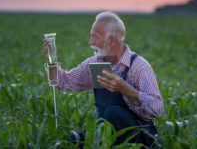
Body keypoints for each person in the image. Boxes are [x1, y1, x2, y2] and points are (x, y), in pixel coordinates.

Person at [42, 11, 164, 147]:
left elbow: (158, 109)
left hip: (140, 135)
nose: (90, 42)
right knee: (73, 141)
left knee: (113, 113)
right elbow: (64, 83)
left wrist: (125, 89)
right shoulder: (95, 63)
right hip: (106, 130)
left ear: (111, 40)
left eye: (95, 37)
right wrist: (52, 61)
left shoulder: (139, 66)